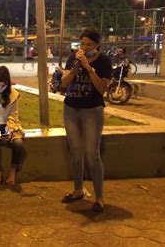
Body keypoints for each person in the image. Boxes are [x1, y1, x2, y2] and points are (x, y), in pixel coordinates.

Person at [60, 27, 111, 213]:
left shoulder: (104, 61)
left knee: (92, 153)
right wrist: (76, 66)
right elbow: (64, 83)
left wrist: (89, 68)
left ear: (97, 45)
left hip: (92, 111)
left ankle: (99, 198)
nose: (84, 46)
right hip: (71, 108)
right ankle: (77, 190)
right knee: (75, 152)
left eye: (89, 44)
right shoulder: (73, 58)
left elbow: (102, 89)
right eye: (82, 43)